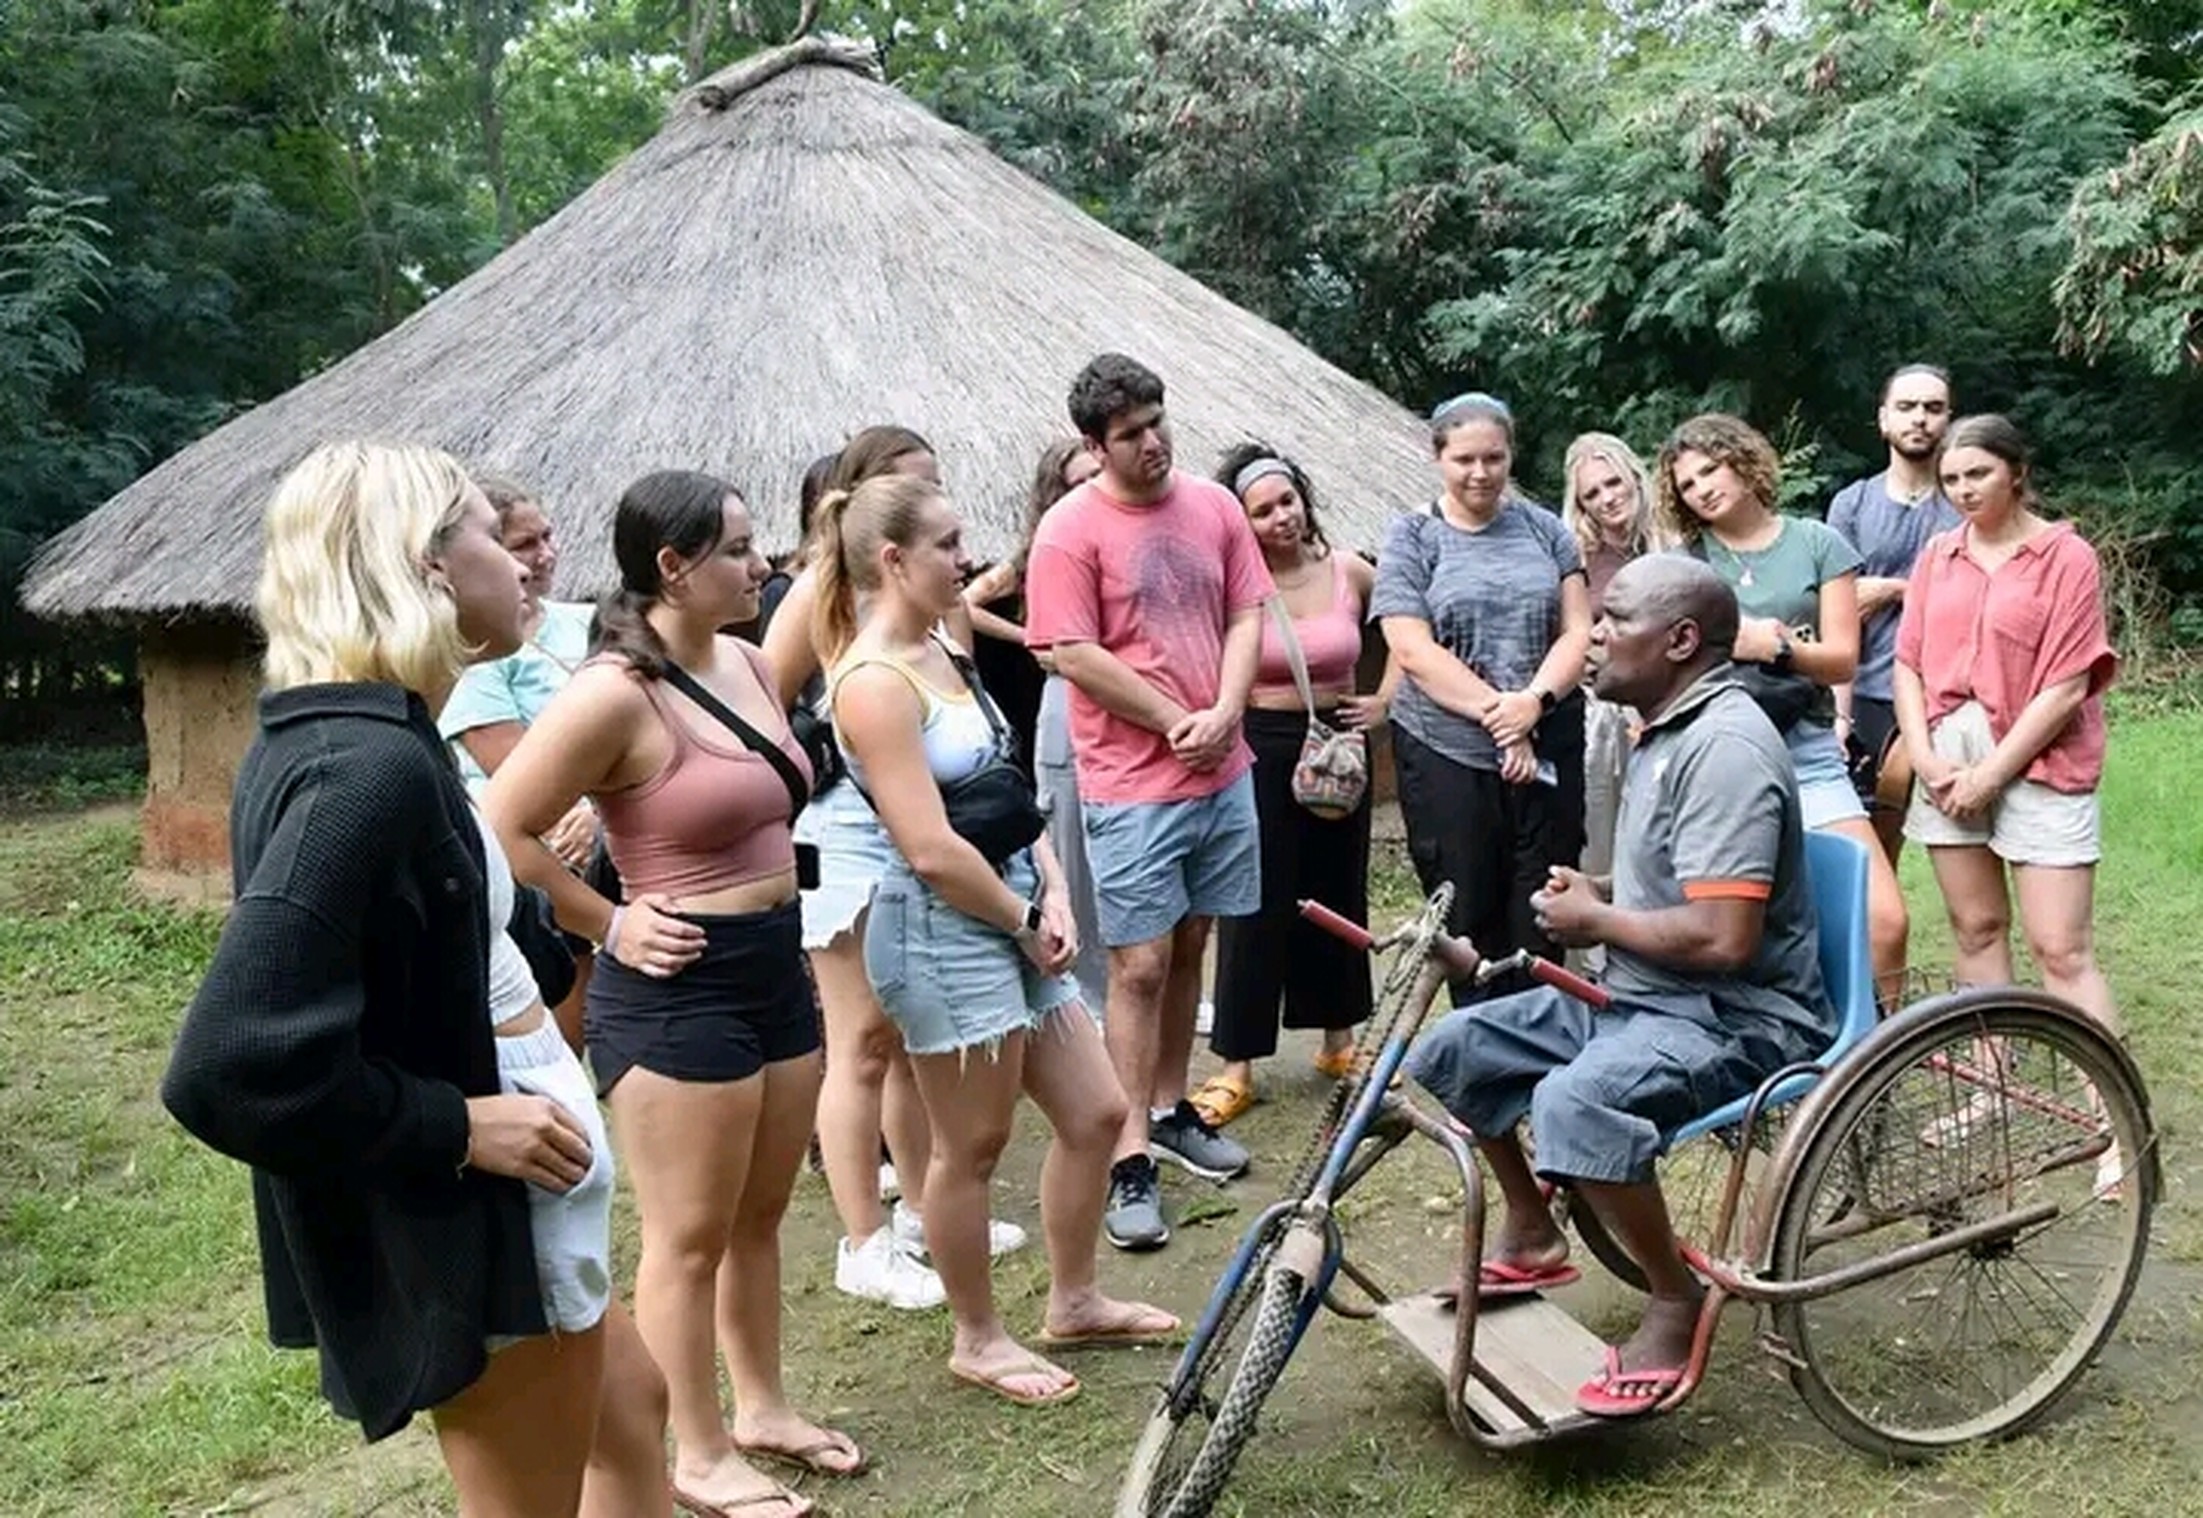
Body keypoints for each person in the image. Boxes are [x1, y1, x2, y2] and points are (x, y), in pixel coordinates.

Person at [160, 442, 669, 1517]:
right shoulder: (363, 772)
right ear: (426, 563)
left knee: (634, 1412)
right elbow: (227, 1066)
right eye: (491, 532)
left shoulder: (380, 734)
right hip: (484, 1222)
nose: (523, 561)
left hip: (522, 1200)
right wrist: (454, 1127)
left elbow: (433, 932)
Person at [485, 471, 849, 1518]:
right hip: (678, 988)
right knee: (688, 1236)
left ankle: (762, 1409)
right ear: (673, 567)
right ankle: (695, 1450)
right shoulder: (613, 693)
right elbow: (502, 826)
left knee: (761, 1216)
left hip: (775, 964)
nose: (761, 564)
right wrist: (610, 923)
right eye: (736, 549)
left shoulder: (747, 660)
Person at [1405, 556, 1836, 1419]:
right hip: (1644, 993)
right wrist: (1598, 892)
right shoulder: (1665, 727)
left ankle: (1672, 1297)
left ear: (1679, 641)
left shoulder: (1722, 750)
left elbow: (1722, 939)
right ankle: (1533, 1231)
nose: (1591, 637)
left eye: (1613, 621)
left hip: (1737, 1016)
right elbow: (1674, 881)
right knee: (1454, 1047)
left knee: (1572, 1102)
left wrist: (1597, 922)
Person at [820, 469, 1178, 1406]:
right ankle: (977, 1337)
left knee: (1097, 1112)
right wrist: (1021, 923)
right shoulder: (871, 683)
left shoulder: (948, 641)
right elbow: (929, 847)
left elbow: (1007, 789)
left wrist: (1051, 889)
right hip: (942, 931)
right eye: (945, 544)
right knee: (970, 1146)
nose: (965, 557)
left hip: (1014, 907)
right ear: (892, 560)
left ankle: (1074, 1298)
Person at [762, 426, 1025, 1308]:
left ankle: (920, 1206)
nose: (938, 508)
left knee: (916, 1034)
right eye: (915, 487)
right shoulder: (819, 587)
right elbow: (766, 699)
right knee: (861, 1040)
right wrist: (822, 761)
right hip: (851, 828)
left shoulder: (935, 594)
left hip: (927, 813)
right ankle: (862, 1239)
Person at [1025, 354, 1272, 1251]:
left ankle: (1169, 1109)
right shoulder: (1068, 531)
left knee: (1195, 938)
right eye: (1130, 433)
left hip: (1223, 767)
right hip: (1132, 781)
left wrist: (1227, 710)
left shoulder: (1213, 507)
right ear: (1095, 446)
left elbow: (1246, 612)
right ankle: (1127, 1151)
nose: (1153, 441)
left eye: (1157, 421)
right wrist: (1175, 720)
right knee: (1136, 966)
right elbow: (1071, 652)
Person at [1892, 414, 2123, 1192]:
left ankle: (2111, 1118)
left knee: (2060, 948)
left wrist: (1992, 773)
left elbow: (2067, 681)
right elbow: (1907, 663)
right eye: (1950, 480)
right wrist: (1923, 754)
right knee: (1976, 927)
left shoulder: (2064, 556)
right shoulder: (1937, 554)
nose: (1962, 491)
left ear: (2015, 473)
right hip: (1945, 753)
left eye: (1977, 475)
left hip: (2038, 756)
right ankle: (1990, 1087)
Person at [1655, 412, 1909, 1003]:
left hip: (1807, 752)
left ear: (1742, 461)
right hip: (1720, 758)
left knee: (1885, 920)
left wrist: (1774, 647)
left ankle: (1881, 1042)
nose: (1701, 489)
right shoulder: (1686, 564)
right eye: (1687, 485)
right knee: (1748, 928)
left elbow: (1842, 659)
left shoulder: (1817, 543)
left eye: (1710, 470)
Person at [1190, 444, 1390, 1128]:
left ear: (1304, 497)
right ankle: (1236, 1063)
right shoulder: (1234, 585)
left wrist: (1385, 698)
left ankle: (1340, 1041)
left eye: (1287, 501)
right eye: (1262, 511)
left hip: (1340, 744)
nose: (1281, 517)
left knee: (1338, 890)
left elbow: (1411, 625)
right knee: (1254, 898)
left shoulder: (1348, 570)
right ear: (1241, 521)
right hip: (1260, 744)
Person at [1372, 392, 1592, 1004]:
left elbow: (1578, 630)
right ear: (1438, 457)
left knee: (1544, 905)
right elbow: (1411, 648)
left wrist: (1534, 703)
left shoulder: (1546, 530)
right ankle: (1478, 1046)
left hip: (1548, 738)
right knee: (1466, 915)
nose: (1480, 473)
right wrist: (1504, 719)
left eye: (1493, 458)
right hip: (1447, 752)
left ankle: (1538, 1042)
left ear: (1510, 456)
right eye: (1464, 459)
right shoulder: (1412, 537)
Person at [438, 476, 600, 1047]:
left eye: (548, 537)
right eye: (525, 544)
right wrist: (590, 805)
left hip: (596, 837)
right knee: (546, 1022)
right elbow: (506, 760)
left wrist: (600, 813)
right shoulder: (479, 645)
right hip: (527, 849)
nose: (544, 555)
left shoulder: (588, 623)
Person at [965, 438, 1110, 1011]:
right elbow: (966, 603)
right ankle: (1085, 993)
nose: (1092, 488)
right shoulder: (1035, 556)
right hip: (1068, 702)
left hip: (1125, 702)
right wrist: (1030, 638)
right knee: (1070, 842)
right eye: (1078, 481)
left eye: (1097, 475)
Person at [1827, 364, 1963, 864]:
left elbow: (1980, 598)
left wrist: (1892, 588)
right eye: (1907, 407)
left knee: (1959, 836)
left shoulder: (1966, 501)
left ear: (1948, 420)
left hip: (1950, 693)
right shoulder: (1852, 504)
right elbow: (1839, 609)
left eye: (1933, 408)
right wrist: (1838, 712)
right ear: (1884, 419)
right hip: (1868, 690)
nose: (1920, 418)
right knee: (1868, 846)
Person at [1558, 432, 1676, 880]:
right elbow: (1567, 636)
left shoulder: (1675, 541)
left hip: (1672, 702)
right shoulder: (1577, 556)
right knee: (1600, 830)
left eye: (1612, 483)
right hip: (1604, 709)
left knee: (1665, 828)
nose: (1606, 498)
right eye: (1592, 493)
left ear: (1633, 478)